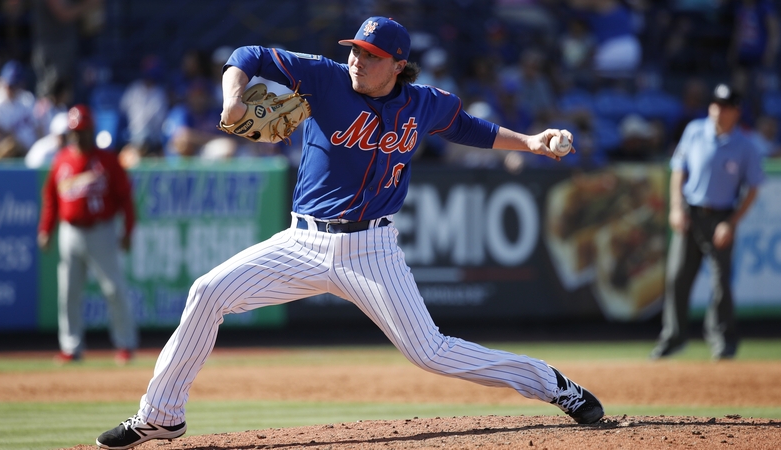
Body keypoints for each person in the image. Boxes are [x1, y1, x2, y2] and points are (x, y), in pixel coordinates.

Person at [95, 17, 603, 449]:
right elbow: (246, 54)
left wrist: (532, 143)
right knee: (207, 292)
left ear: (398, 64)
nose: (358, 60)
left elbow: (470, 128)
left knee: (430, 352)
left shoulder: (424, 103)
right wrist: (232, 98)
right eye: (357, 50)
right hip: (301, 242)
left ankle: (555, 386)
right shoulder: (324, 78)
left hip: (371, 249)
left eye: (372, 55)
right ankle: (162, 415)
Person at [650, 83, 765, 361]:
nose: (717, 110)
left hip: (722, 216)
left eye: (724, 106)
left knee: (720, 282)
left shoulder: (746, 145)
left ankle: (722, 341)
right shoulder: (694, 131)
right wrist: (677, 207)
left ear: (736, 111)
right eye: (714, 104)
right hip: (691, 213)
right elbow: (679, 170)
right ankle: (673, 338)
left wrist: (732, 223)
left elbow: (753, 188)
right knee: (677, 277)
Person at [37, 104, 139, 366]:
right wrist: (46, 229)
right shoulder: (61, 160)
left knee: (114, 289)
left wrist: (127, 230)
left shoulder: (107, 160)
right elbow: (51, 198)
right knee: (68, 291)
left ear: (92, 130)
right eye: (74, 131)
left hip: (101, 230)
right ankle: (71, 347)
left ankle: (125, 344)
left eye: (82, 130)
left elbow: (125, 198)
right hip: (70, 231)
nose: (78, 136)